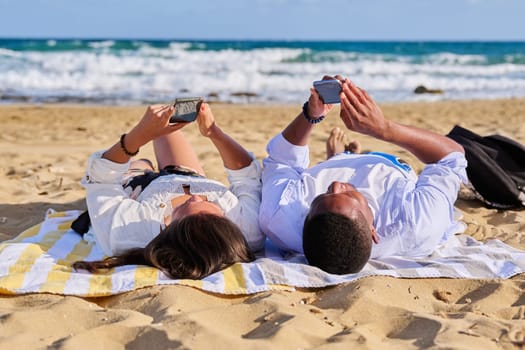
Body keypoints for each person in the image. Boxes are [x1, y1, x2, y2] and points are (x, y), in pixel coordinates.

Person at [258, 76, 467, 275]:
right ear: (373, 231)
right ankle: (343, 156)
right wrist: (383, 128)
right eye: (349, 196)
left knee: (318, 174)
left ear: (304, 223)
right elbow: (452, 156)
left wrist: (311, 115)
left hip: (328, 166)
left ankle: (339, 158)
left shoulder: (281, 219)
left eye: (322, 195)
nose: (337, 184)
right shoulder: (416, 224)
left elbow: (280, 160)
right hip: (388, 165)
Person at [73, 102, 265, 279]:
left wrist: (138, 136)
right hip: (188, 176)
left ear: (169, 229)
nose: (195, 197)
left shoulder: (128, 231)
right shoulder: (247, 230)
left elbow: (102, 178)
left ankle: (143, 166)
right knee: (168, 127)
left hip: (138, 187)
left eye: (187, 206)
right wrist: (213, 132)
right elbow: (247, 176)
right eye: (207, 203)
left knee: (141, 163)